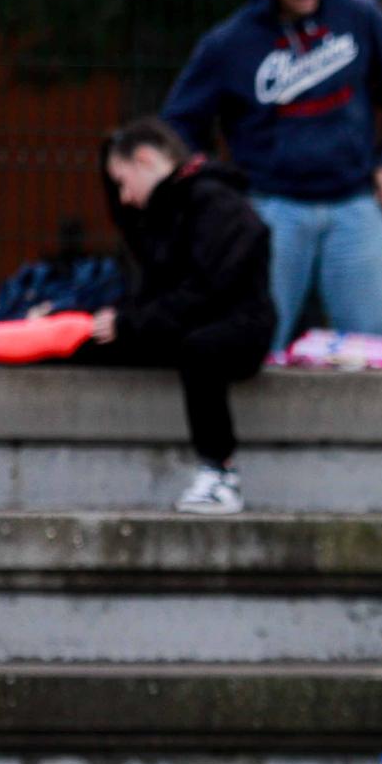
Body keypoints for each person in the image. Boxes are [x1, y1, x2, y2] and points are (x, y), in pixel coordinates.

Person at [162, 0, 382, 352]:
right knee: (258, 339)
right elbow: (180, 124)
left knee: (372, 347)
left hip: (354, 204)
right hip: (272, 210)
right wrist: (217, 190)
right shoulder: (230, 44)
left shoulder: (358, 17)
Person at [77, 118, 275, 516]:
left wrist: (133, 323)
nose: (125, 196)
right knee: (92, 340)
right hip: (185, 321)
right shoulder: (162, 212)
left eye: (123, 181)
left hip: (236, 327)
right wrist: (120, 322)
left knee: (200, 349)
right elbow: (158, 288)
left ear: (146, 159)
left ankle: (220, 474)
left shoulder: (217, 204)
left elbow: (205, 291)